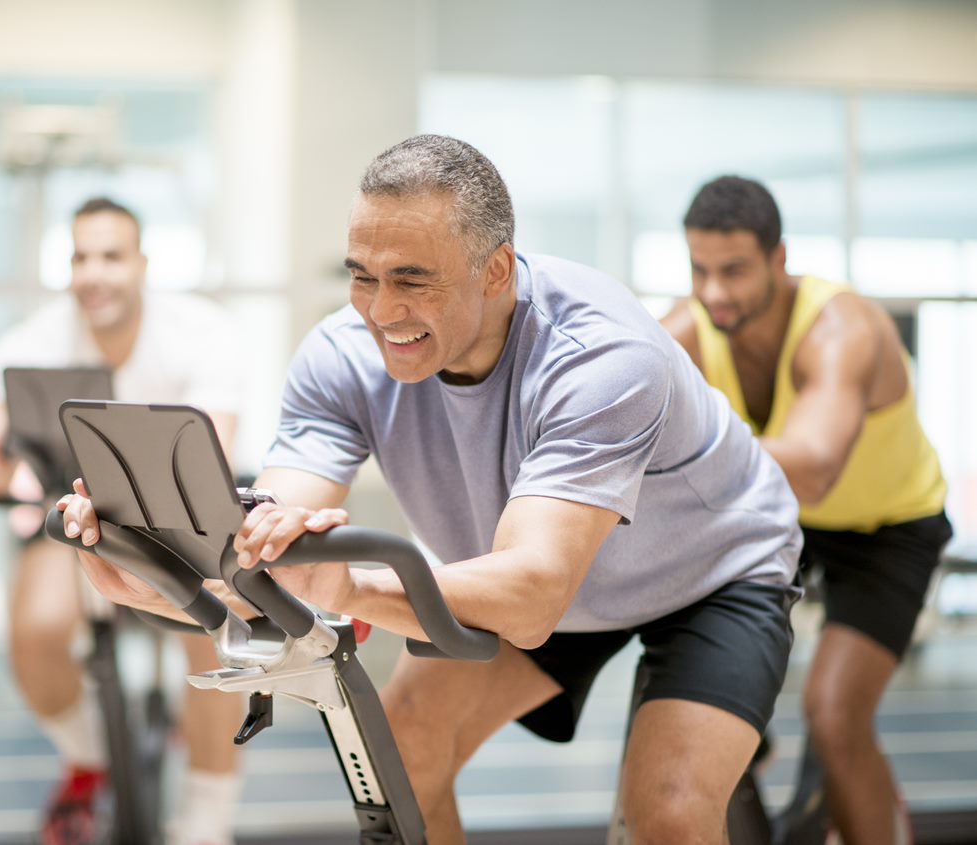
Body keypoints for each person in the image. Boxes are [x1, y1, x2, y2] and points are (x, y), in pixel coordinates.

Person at [58, 135, 804, 844]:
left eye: (413, 279)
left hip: (711, 573)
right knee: (403, 763)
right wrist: (168, 575)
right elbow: (271, 538)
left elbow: (536, 591)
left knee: (669, 816)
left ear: (497, 271)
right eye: (362, 274)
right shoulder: (341, 357)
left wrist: (346, 588)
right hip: (524, 571)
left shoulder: (601, 355)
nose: (381, 311)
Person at [662, 175, 951, 845]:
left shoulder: (841, 329)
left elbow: (816, 467)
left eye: (733, 270)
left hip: (889, 527)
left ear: (779, 259)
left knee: (833, 712)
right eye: (699, 270)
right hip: (775, 518)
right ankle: (747, 747)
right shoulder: (687, 328)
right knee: (695, 687)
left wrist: (682, 448)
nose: (714, 292)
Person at [0, 197, 247, 845]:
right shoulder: (26, 343)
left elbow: (215, 452)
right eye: (80, 257)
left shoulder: (202, 331)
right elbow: (9, 478)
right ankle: (88, 758)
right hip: (69, 512)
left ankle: (207, 822)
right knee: (32, 629)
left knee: (213, 638)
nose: (94, 273)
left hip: (176, 513)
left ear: (142, 263)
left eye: (111, 256)